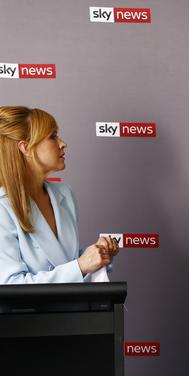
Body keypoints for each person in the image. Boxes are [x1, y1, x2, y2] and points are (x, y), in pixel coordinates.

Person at [0, 106, 118, 283]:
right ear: (25, 148)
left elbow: (62, 261)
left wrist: (96, 253)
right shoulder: (3, 207)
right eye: (52, 136)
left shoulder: (64, 194)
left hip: (77, 308)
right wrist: (80, 265)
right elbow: (11, 284)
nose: (63, 143)